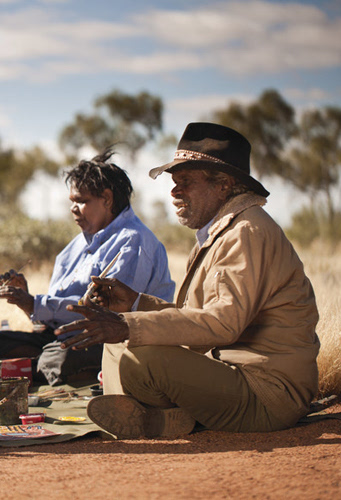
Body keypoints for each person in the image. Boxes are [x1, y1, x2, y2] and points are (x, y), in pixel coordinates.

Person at [56, 122, 320, 438]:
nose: (174, 191)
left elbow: (223, 324)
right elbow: (197, 317)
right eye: (174, 182)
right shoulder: (221, 231)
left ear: (224, 185)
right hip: (230, 377)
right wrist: (135, 304)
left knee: (143, 348)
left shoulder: (246, 233)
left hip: (266, 395)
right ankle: (152, 417)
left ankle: (144, 418)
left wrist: (131, 325)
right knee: (118, 333)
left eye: (186, 182)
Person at [0, 149, 174, 386]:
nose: (74, 209)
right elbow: (49, 325)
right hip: (65, 339)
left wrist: (35, 304)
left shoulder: (133, 241)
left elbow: (108, 315)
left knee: (57, 357)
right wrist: (27, 302)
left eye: (82, 201)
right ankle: (33, 371)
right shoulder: (73, 248)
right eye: (72, 202)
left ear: (107, 199)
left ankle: (32, 373)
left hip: (114, 340)